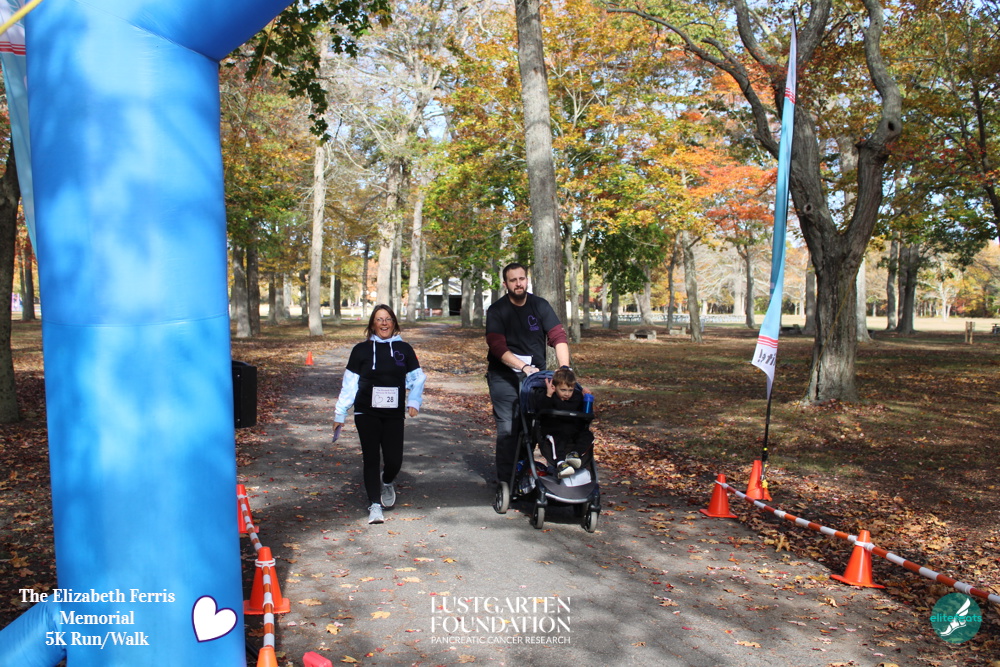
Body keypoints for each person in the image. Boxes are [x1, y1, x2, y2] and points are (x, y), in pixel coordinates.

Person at [334, 305, 426, 524]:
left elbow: (417, 377)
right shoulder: (361, 350)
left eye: (388, 319)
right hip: (366, 411)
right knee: (371, 458)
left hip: (393, 414)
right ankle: (374, 505)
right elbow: (350, 384)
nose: (384, 323)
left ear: (394, 323)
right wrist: (340, 413)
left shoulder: (404, 349)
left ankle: (387, 480)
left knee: (394, 460)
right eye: (379, 319)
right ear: (372, 324)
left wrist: (414, 401)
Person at [485, 262, 570, 485]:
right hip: (504, 376)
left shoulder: (540, 306)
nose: (518, 283)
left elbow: (558, 336)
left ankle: (522, 471)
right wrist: (522, 366)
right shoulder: (497, 310)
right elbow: (497, 346)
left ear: (527, 280)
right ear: (505, 284)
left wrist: (565, 368)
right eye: (513, 280)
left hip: (535, 378)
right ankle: (506, 483)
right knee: (509, 428)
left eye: (521, 279)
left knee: (532, 426)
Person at [536, 368, 594, 478]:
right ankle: (561, 463)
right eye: (563, 390)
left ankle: (575, 454)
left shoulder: (577, 397)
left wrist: (586, 399)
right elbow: (540, 410)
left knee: (587, 435)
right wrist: (548, 394)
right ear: (554, 387)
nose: (567, 394)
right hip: (554, 430)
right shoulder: (549, 397)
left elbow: (586, 417)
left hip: (573, 430)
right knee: (558, 438)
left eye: (570, 390)